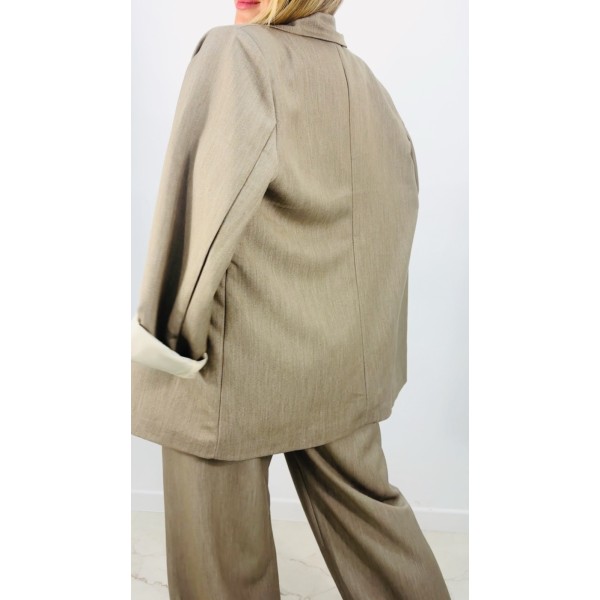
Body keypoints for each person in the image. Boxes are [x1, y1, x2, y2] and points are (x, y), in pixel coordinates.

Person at [131, 1, 452, 598]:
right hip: (341, 367)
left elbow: (202, 204)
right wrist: (363, 345)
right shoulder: (368, 83)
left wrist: (167, 340)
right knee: (375, 531)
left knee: (222, 572)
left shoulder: (235, 53)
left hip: (230, 366)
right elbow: (397, 211)